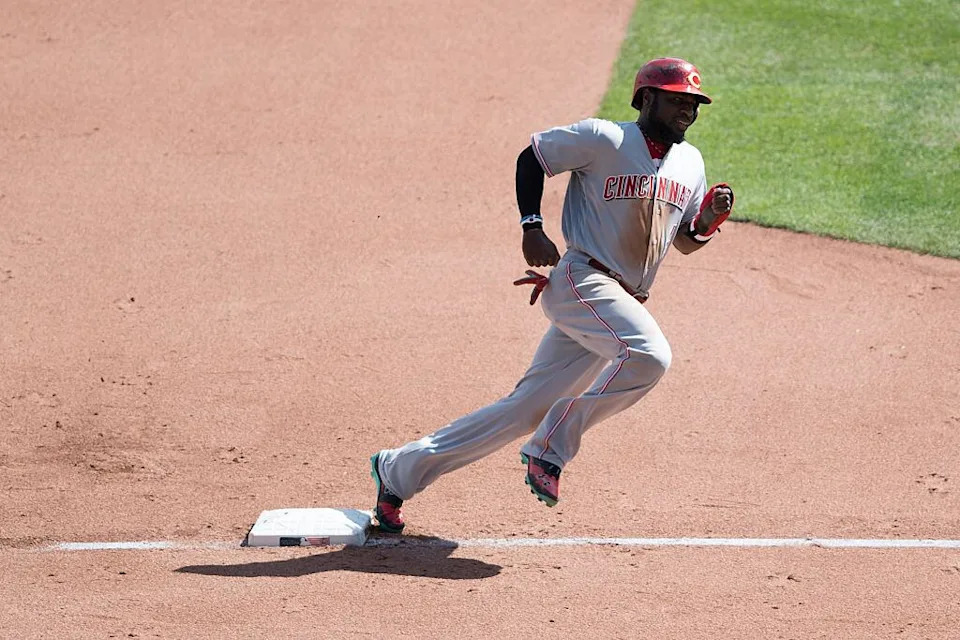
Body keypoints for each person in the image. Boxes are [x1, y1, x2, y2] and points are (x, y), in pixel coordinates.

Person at [369, 57, 734, 532]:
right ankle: (550, 449)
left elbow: (682, 240)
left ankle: (398, 470)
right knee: (650, 355)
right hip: (585, 281)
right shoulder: (604, 138)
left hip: (616, 301)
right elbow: (532, 158)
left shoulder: (691, 162)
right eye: (678, 100)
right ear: (646, 98)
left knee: (524, 409)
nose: (689, 110)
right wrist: (531, 226)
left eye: (693, 103)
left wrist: (705, 223)